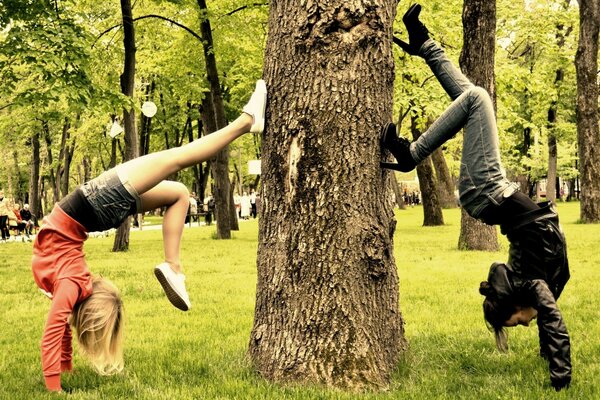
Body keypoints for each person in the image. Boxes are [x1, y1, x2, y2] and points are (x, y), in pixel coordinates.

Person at [31, 80, 267, 392]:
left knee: (179, 194)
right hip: (93, 205)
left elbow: (58, 327)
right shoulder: (71, 284)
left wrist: (62, 372)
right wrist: (54, 385)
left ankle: (174, 266)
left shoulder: (70, 288)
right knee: (179, 157)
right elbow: (56, 327)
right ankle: (247, 122)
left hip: (96, 211)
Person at [384, 5, 570, 391]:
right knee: (473, 97)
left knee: (477, 99)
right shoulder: (541, 286)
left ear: (515, 305)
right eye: (521, 324)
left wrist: (559, 376)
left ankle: (411, 155)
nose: (527, 323)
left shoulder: (531, 286)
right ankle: (425, 45)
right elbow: (552, 318)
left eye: (516, 322)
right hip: (491, 190)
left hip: (487, 190)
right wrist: (551, 362)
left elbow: (551, 320)